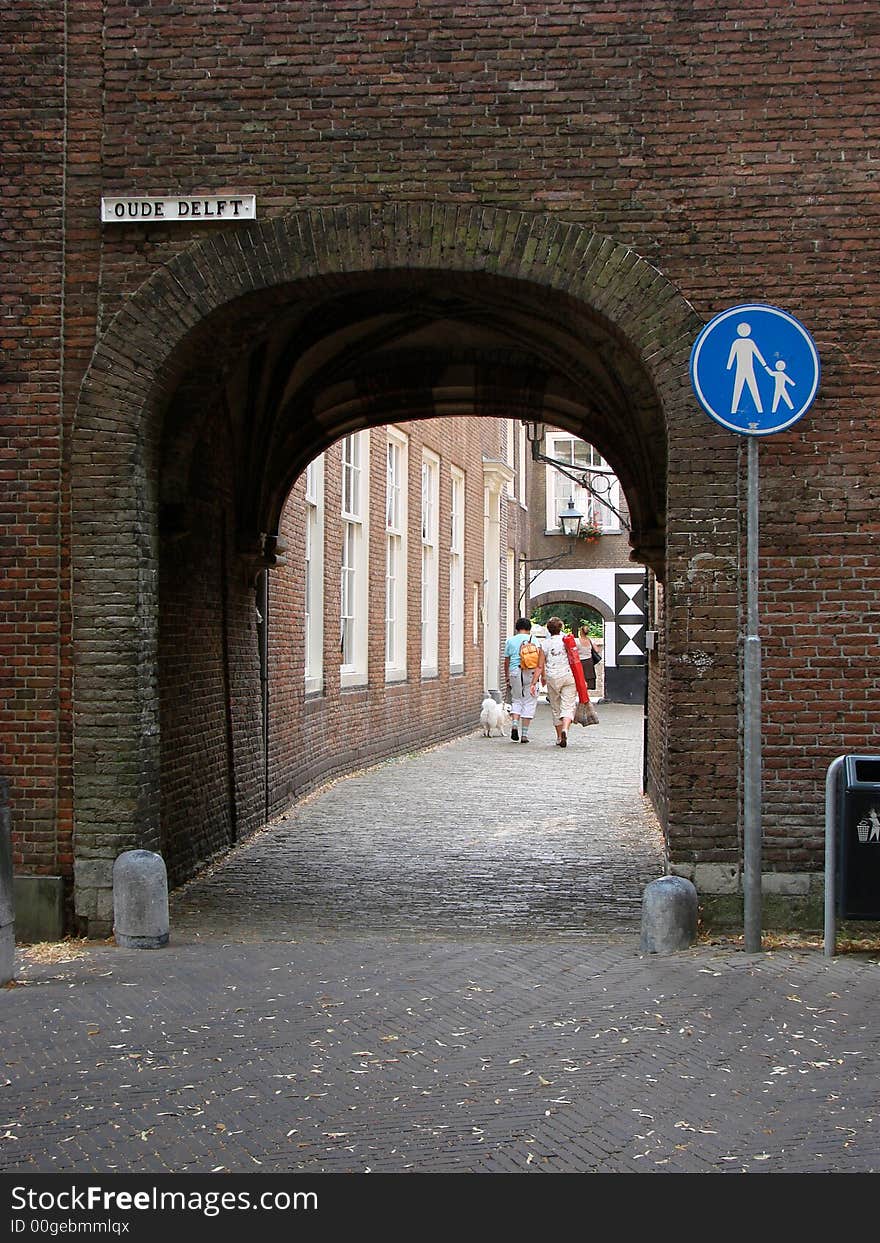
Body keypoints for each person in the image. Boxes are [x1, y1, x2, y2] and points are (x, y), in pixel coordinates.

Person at [537, 616, 578, 748]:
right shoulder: (567, 641)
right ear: (561, 628)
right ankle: (565, 729)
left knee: (556, 707)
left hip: (552, 677)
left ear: (548, 629)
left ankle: (559, 736)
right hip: (568, 676)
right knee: (568, 706)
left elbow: (540, 665)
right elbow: (576, 660)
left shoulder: (545, 644)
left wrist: (538, 679)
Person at [503, 617, 540, 743]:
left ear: (517, 628)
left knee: (516, 699)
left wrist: (507, 676)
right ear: (529, 628)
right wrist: (542, 676)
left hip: (515, 671)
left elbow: (506, 660)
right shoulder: (534, 640)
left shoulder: (510, 641)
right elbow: (540, 660)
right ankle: (524, 734)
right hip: (530, 671)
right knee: (529, 701)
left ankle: (514, 724)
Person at [576, 625, 597, 692]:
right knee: (588, 679)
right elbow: (596, 650)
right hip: (589, 662)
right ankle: (586, 697)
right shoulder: (590, 640)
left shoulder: (576, 641)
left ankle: (581, 697)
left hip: (579, 662)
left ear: (580, 632)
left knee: (580, 679)